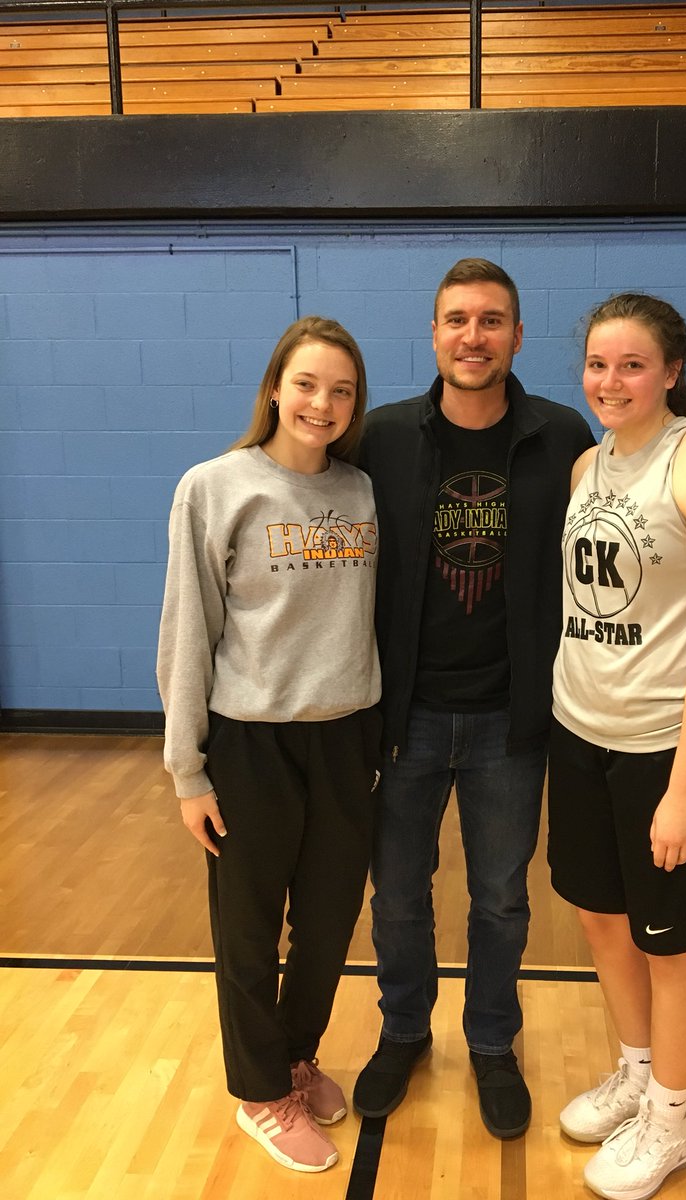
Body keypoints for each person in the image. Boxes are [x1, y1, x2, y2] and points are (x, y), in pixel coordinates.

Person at [353, 258, 594, 1139]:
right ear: (433, 334)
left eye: (492, 321)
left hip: (510, 721)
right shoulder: (381, 438)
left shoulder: (564, 436)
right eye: (457, 319)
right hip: (404, 718)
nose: (473, 336)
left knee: (500, 898)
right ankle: (404, 1032)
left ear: (519, 336)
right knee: (401, 896)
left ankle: (493, 1042)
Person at [549, 293, 686, 1198]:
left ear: (672, 370)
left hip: (665, 747)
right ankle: (638, 1074)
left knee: (671, 944)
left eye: (632, 365)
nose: (611, 381)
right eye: (599, 364)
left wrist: (684, 790)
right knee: (602, 919)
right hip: (581, 732)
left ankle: (674, 1118)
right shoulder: (585, 465)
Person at [156, 316, 382, 1174]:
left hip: (344, 738)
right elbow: (186, 635)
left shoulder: (361, 493)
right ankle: (259, 1093)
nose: (322, 403)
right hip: (248, 744)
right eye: (307, 384)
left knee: (325, 927)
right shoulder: (213, 487)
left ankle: (294, 1056)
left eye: (342, 390)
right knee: (248, 933)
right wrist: (188, 771)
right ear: (274, 388)